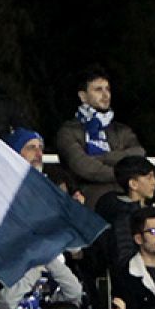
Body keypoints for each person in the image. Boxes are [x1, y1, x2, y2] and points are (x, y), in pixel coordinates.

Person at [54, 68, 143, 206]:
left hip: (124, 200)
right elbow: (84, 167)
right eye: (98, 90)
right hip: (88, 203)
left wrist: (100, 158)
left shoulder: (121, 129)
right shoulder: (68, 131)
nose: (105, 95)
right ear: (83, 96)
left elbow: (138, 154)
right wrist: (123, 173)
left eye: (108, 89)